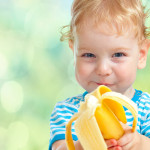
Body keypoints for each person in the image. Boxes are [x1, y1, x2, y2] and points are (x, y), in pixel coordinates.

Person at [49, 0, 150, 149]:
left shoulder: (146, 109)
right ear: (74, 53)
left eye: (118, 54)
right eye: (89, 55)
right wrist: (83, 145)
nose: (103, 69)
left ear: (141, 55)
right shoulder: (67, 111)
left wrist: (139, 143)